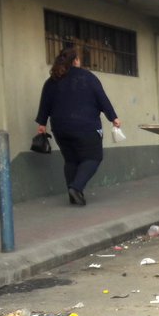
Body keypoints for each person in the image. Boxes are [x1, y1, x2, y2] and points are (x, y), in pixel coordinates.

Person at [35, 47, 121, 206]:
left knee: (71, 160)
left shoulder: (52, 80)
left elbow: (45, 104)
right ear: (75, 60)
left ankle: (73, 195)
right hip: (85, 126)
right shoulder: (87, 77)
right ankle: (76, 187)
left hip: (60, 128)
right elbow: (102, 99)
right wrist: (113, 118)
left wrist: (41, 123)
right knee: (93, 157)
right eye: (79, 58)